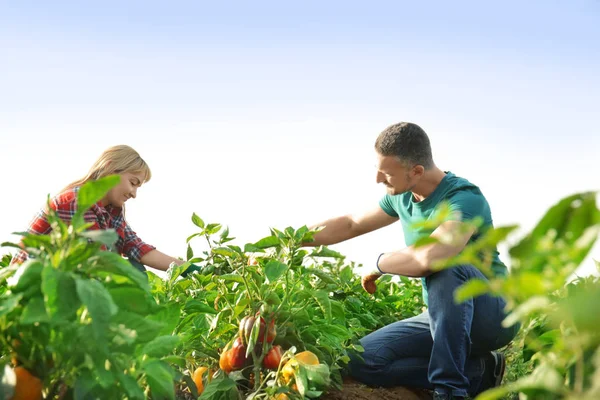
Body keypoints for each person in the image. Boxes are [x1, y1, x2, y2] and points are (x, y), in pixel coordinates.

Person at [303, 122, 518, 399]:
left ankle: (451, 390)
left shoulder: (464, 199)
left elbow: (432, 256)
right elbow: (351, 223)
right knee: (362, 359)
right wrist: (291, 239)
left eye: (387, 173)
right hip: (444, 317)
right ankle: (481, 372)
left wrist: (381, 263)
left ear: (416, 171)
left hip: (494, 314)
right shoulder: (402, 196)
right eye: (378, 170)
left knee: (447, 267)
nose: (379, 179)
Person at [12, 145, 200, 276]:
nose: (134, 193)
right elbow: (98, 261)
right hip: (27, 293)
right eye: (133, 183)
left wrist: (188, 269)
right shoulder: (77, 202)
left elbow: (135, 247)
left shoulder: (111, 211)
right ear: (110, 168)